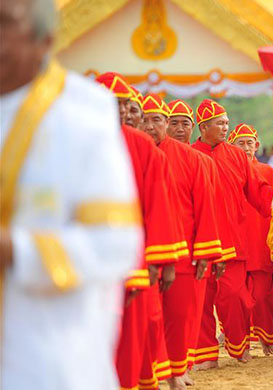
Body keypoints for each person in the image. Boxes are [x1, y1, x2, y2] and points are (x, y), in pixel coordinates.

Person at [0, 0, 142, 388]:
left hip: (45, 356)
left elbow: (116, 244)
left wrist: (18, 250)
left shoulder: (82, 118)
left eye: (5, 24)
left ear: (43, 39)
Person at [95, 72, 183, 390]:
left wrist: (162, 261)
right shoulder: (75, 142)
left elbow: (159, 205)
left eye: (127, 106)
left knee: (137, 333)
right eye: (115, 104)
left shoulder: (144, 148)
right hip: (85, 260)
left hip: (133, 259)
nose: (122, 113)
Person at [140, 93, 222, 390]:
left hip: (184, 251)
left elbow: (205, 208)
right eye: (144, 120)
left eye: (157, 120)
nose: (151, 127)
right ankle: (152, 371)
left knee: (181, 315)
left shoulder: (194, 160)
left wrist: (206, 252)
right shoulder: (131, 153)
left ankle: (176, 370)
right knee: (149, 316)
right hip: (142, 253)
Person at [192, 99, 273, 364]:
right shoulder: (190, 154)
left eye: (227, 123)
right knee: (202, 299)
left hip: (232, 241)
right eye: (220, 123)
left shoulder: (237, 155)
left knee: (236, 296)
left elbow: (258, 191)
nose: (226, 128)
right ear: (204, 127)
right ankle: (206, 354)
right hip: (198, 240)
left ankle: (239, 346)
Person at [228, 123, 273, 356]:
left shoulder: (268, 172)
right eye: (241, 143)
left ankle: (267, 337)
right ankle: (241, 344)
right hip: (235, 240)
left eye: (250, 143)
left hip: (261, 241)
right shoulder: (226, 170)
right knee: (237, 296)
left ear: (257, 146)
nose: (246, 148)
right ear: (232, 146)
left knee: (263, 296)